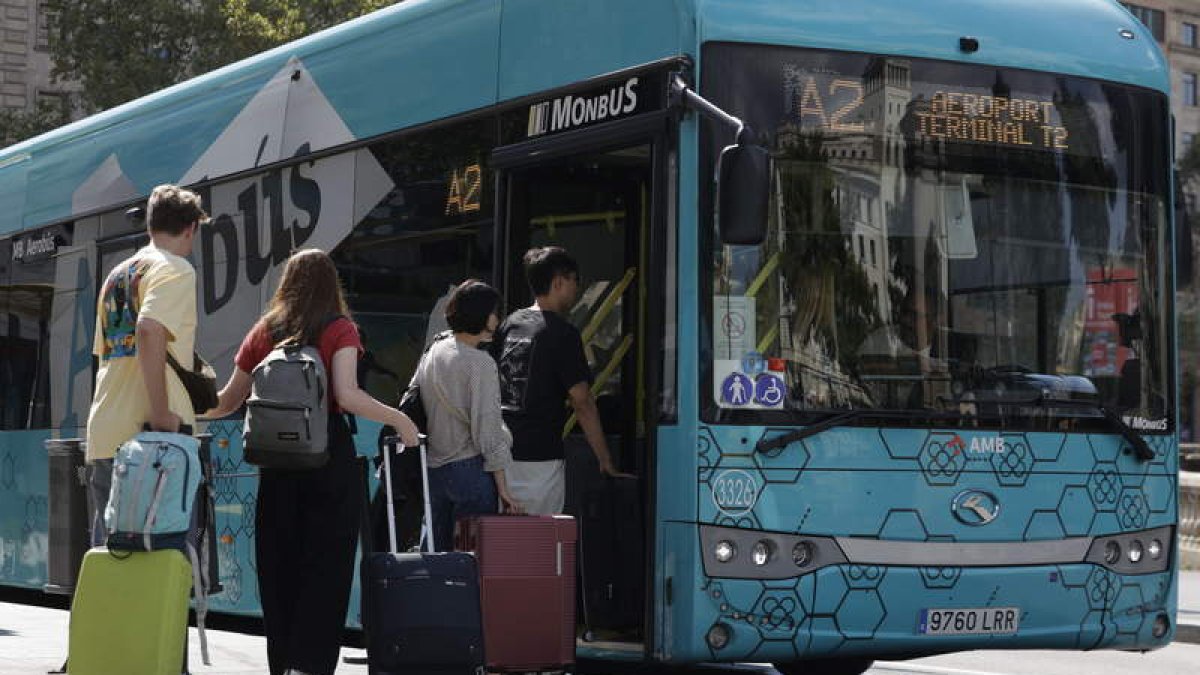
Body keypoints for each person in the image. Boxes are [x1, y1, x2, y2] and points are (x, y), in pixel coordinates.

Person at [204, 249, 419, 675]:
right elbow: (347, 395)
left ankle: (281, 663)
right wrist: (399, 418)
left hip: (276, 463)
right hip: (327, 459)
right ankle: (311, 665)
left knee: (278, 563)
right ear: (331, 284)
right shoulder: (340, 329)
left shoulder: (265, 331)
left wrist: (176, 409)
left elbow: (228, 401)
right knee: (327, 566)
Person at [85, 184, 206, 546]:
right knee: (163, 565)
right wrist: (162, 413)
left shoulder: (116, 275)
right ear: (191, 228)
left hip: (106, 432)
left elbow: (108, 354)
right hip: (154, 442)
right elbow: (149, 329)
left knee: (115, 564)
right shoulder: (176, 269)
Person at [491, 247, 627, 516]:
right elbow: (582, 401)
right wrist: (604, 458)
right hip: (540, 459)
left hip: (500, 455)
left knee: (504, 543)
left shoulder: (511, 324)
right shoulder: (562, 334)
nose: (577, 289)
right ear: (559, 282)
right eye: (575, 281)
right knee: (540, 543)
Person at [414, 279, 521, 550]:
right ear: (482, 315)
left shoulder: (434, 351)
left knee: (434, 557)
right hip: (470, 469)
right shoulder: (480, 363)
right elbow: (487, 431)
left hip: (435, 468)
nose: (498, 320)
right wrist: (504, 489)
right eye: (495, 312)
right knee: (472, 558)